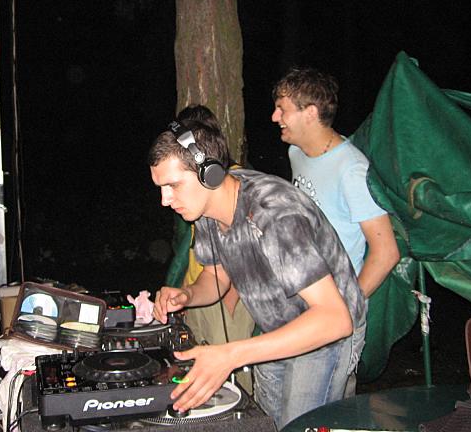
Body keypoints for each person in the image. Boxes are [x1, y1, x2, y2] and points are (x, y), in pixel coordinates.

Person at [148, 119, 366, 429]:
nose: (164, 200)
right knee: (265, 422)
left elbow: (335, 319)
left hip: (324, 332)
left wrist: (231, 354)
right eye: (161, 188)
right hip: (276, 326)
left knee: (298, 425)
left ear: (209, 173)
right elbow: (216, 277)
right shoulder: (206, 210)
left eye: (173, 185)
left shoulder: (274, 213)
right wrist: (187, 295)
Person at [271, 67, 400, 397]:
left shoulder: (352, 170)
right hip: (299, 301)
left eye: (282, 109)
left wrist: (344, 304)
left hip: (334, 311)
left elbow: (386, 252)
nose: (274, 117)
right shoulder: (296, 153)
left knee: (325, 409)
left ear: (310, 113)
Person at [163, 105, 256, 394]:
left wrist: (228, 303)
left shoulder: (238, 188)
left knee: (232, 387)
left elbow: (241, 263)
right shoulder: (198, 196)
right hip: (204, 291)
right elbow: (203, 258)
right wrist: (187, 294)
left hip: (224, 304)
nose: (166, 199)